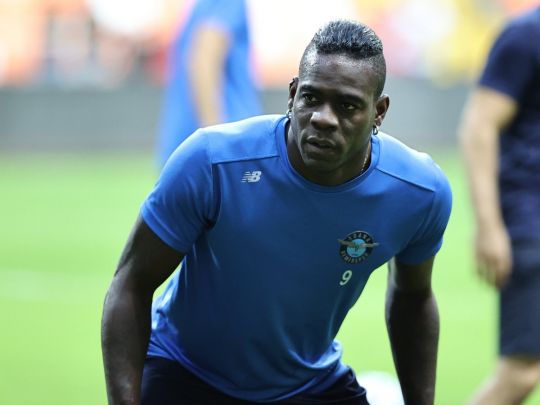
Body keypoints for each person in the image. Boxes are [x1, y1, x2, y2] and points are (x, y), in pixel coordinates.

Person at [102, 19, 452, 405]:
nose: (323, 118)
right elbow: (131, 284)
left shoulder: (419, 192)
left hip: (308, 383)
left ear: (379, 112)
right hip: (185, 371)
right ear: (292, 94)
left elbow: (413, 298)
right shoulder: (212, 162)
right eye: (312, 98)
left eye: (348, 105)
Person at [458, 6, 540, 405]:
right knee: (522, 371)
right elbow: (479, 126)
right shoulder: (526, 34)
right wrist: (489, 226)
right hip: (531, 221)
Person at [156, 0, 261, 167]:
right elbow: (203, 60)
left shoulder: (202, 6)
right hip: (228, 143)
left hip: (187, 149)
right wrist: (216, 140)